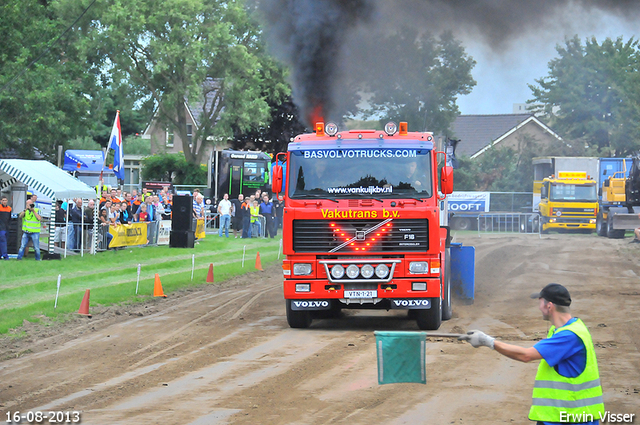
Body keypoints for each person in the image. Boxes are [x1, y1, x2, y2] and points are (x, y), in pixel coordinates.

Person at [459, 283, 604, 425]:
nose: (539, 308)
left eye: (540, 303)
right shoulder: (566, 329)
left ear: (549, 306)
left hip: (571, 417)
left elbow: (526, 355)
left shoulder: (568, 336)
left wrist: (488, 341)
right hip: (561, 415)